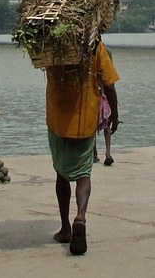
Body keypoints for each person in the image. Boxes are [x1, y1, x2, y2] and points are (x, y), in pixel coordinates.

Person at [45, 40, 119, 256]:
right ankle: (81, 216)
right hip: (85, 119)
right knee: (83, 173)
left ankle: (65, 228)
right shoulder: (94, 45)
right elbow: (109, 83)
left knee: (61, 173)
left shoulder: (53, 44)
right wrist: (114, 114)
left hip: (58, 118)